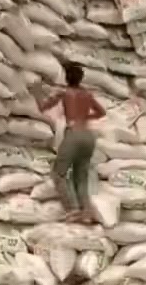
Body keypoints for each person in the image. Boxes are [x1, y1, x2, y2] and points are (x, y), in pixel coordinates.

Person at [36, 62, 105, 224]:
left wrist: (36, 92)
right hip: (88, 136)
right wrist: (85, 117)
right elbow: (101, 112)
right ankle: (86, 212)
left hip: (73, 135)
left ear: (67, 78)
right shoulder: (87, 94)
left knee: (58, 174)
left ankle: (72, 209)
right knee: (80, 177)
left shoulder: (65, 93)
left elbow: (43, 107)